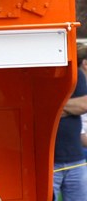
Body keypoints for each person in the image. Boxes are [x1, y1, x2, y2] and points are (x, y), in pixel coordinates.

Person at [53, 45, 87, 200]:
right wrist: (70, 107)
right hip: (48, 161)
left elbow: (83, 105)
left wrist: (51, 108)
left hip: (76, 158)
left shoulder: (75, 74)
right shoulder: (36, 75)